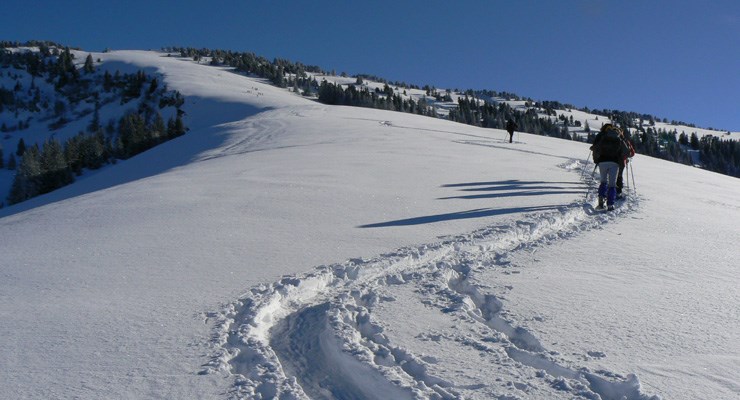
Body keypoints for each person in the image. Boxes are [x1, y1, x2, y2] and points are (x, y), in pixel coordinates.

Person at [590, 124, 630, 211]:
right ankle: (610, 204)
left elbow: (596, 148)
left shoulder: (604, 136)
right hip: (614, 163)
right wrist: (620, 157)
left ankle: (601, 198)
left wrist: (597, 160)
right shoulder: (619, 138)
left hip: (602, 162)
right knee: (612, 184)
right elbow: (627, 152)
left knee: (603, 181)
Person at [616, 129, 636, 198]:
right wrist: (627, 156)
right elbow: (632, 152)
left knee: (611, 176)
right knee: (619, 175)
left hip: (612, 160)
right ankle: (618, 191)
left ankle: (609, 191)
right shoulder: (626, 141)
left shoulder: (611, 139)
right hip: (622, 161)